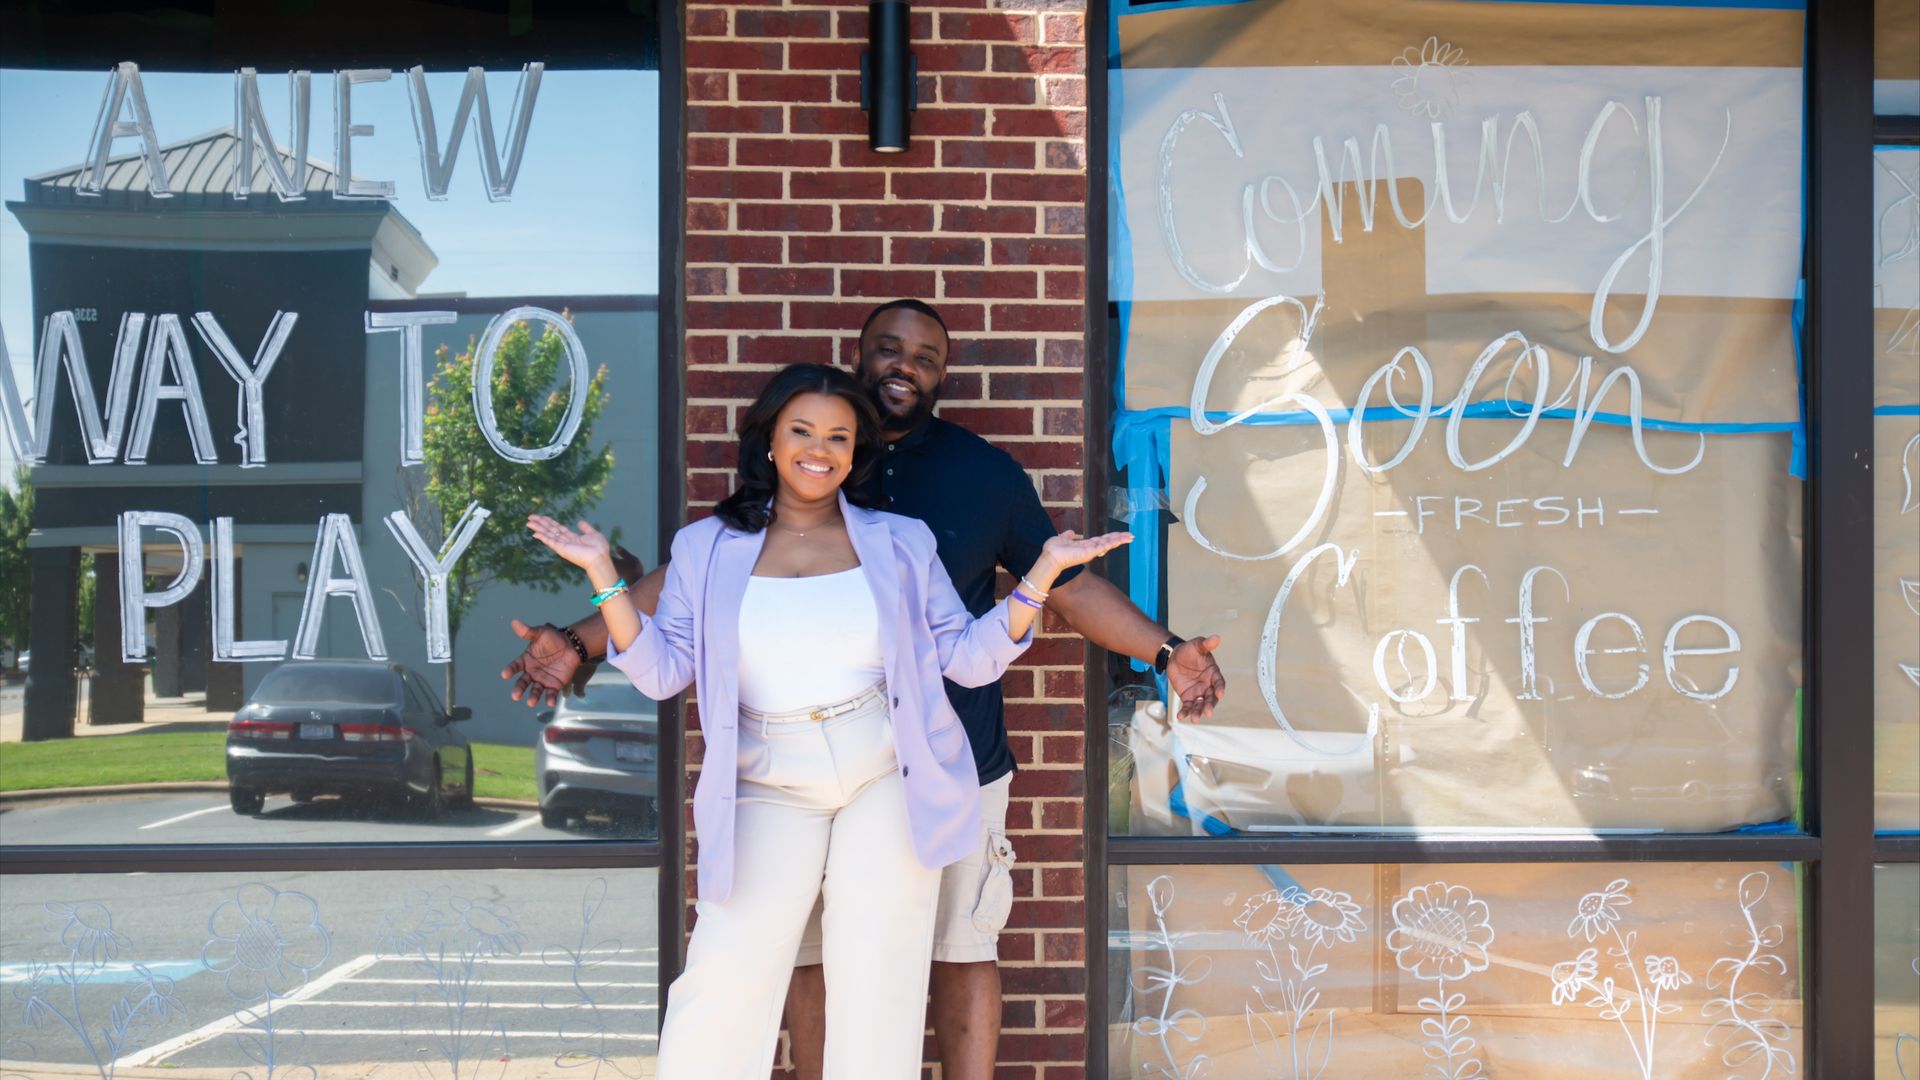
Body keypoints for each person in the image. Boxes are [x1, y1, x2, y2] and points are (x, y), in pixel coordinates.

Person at [503, 299, 1227, 1080]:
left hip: (900, 764)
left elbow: (987, 644)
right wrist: (598, 595)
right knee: (730, 965)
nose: (822, 450)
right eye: (805, 433)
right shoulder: (712, 544)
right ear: (773, 440)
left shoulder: (920, 522)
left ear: (861, 447)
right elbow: (668, 652)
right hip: (767, 775)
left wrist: (1077, 597)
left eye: (839, 437)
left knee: (899, 970)